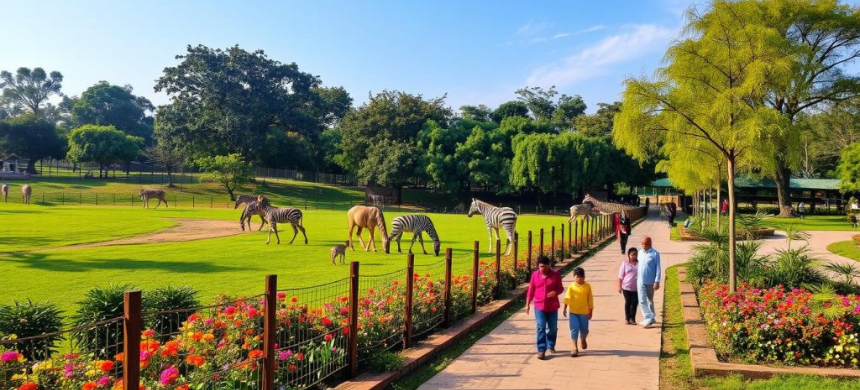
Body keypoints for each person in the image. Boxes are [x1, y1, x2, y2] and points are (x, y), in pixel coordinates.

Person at [526, 255, 564, 360]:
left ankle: (551, 344)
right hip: (539, 306)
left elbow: (561, 288)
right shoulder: (535, 275)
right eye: (541, 266)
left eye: (544, 266)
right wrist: (527, 304)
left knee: (552, 328)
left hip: (552, 306)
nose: (542, 268)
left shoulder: (555, 275)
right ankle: (541, 349)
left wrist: (555, 292)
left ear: (549, 265)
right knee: (540, 326)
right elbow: (531, 290)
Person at [563, 267, 593, 357]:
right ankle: (574, 347)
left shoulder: (587, 287)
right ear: (574, 277)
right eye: (577, 277)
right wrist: (565, 308)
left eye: (581, 277)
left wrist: (590, 311)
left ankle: (583, 338)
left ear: (584, 277)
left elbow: (590, 299)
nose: (579, 279)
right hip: (573, 312)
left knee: (584, 329)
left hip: (584, 312)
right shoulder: (571, 287)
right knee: (574, 329)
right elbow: (567, 298)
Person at [637, 236, 661, 328]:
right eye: (642, 244)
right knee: (642, 300)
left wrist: (657, 281)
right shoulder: (640, 253)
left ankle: (652, 317)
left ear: (650, 244)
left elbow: (658, 268)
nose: (643, 246)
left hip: (650, 282)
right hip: (640, 281)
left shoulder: (655, 254)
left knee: (650, 300)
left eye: (645, 244)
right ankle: (648, 317)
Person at [618, 248, 639, 325]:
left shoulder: (639, 264)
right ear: (629, 255)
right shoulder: (625, 263)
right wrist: (619, 287)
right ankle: (627, 318)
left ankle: (632, 318)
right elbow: (620, 276)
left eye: (635, 254)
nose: (634, 256)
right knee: (628, 302)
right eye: (632, 254)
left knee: (635, 302)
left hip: (636, 287)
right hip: (626, 287)